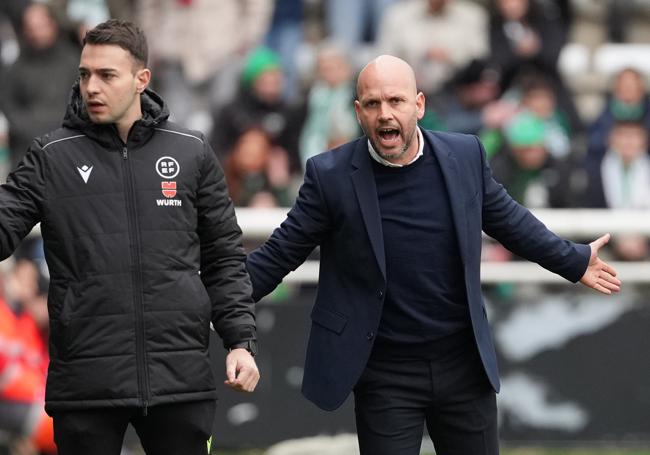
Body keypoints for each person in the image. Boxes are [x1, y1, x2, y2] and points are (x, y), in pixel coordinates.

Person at [246, 55, 620, 455]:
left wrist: (574, 259)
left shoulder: (465, 156)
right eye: (372, 104)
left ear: (419, 105)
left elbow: (512, 223)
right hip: (384, 373)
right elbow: (279, 255)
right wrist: (206, 298)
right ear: (358, 112)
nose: (385, 114)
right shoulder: (330, 176)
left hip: (463, 365)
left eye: (396, 101)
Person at [0, 19, 259, 455]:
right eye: (84, 75)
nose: (91, 87)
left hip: (180, 382)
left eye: (107, 75)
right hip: (86, 385)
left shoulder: (191, 151)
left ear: (142, 80)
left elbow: (224, 258)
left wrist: (241, 341)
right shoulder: (51, 156)